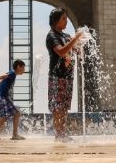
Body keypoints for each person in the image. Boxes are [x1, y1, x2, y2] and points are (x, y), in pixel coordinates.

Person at [46, 8, 83, 142]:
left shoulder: (66, 36)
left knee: (65, 106)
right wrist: (75, 39)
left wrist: (80, 45)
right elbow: (61, 52)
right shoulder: (52, 36)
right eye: (63, 18)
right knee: (57, 106)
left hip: (68, 76)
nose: (66, 20)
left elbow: (75, 50)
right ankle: (59, 134)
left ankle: (63, 132)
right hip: (56, 76)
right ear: (56, 21)